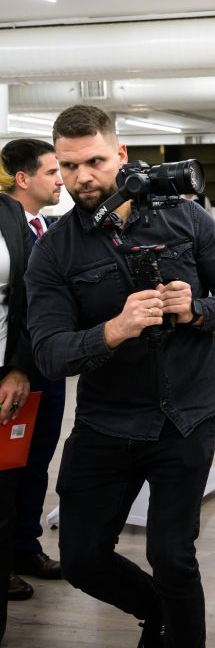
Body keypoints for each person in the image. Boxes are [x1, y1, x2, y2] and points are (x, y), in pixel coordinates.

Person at [26, 104, 215, 647]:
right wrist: (114, 330)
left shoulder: (186, 219)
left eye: (95, 162)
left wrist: (195, 310)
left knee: (172, 556)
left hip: (186, 415)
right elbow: (50, 354)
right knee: (81, 558)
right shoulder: (54, 251)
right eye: (68, 166)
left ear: (121, 154)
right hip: (106, 422)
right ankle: (161, 615)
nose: (82, 177)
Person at [0, 139, 66, 595]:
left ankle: (25, 545)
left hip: (49, 364)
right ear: (23, 179)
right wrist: (18, 366)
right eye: (52, 171)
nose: (61, 180)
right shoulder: (7, 229)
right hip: (17, 364)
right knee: (6, 466)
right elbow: (22, 306)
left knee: (37, 459)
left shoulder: (48, 226)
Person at [0, 163, 35, 643]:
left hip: (3, 375)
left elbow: (31, 295)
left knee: (1, 497)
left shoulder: (9, 212)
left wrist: (19, 367)